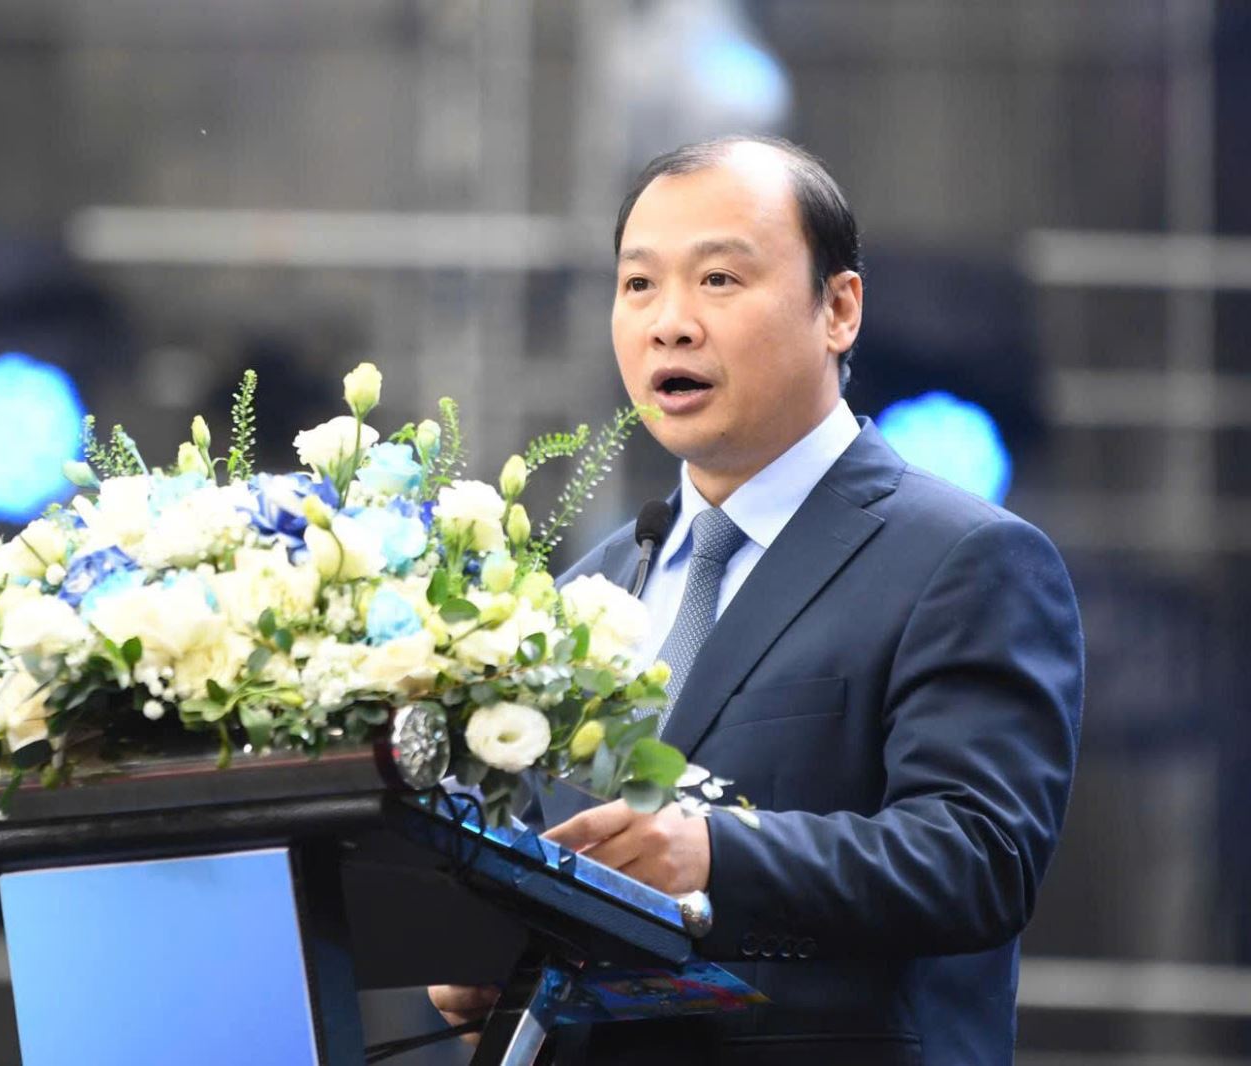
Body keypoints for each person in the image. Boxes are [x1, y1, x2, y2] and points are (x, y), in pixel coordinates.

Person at [430, 136, 1084, 1065]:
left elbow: (980, 856)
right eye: (639, 284)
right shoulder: (584, 594)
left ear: (839, 309)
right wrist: (490, 955)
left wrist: (714, 857)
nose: (670, 323)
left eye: (720, 280)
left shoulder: (965, 559)